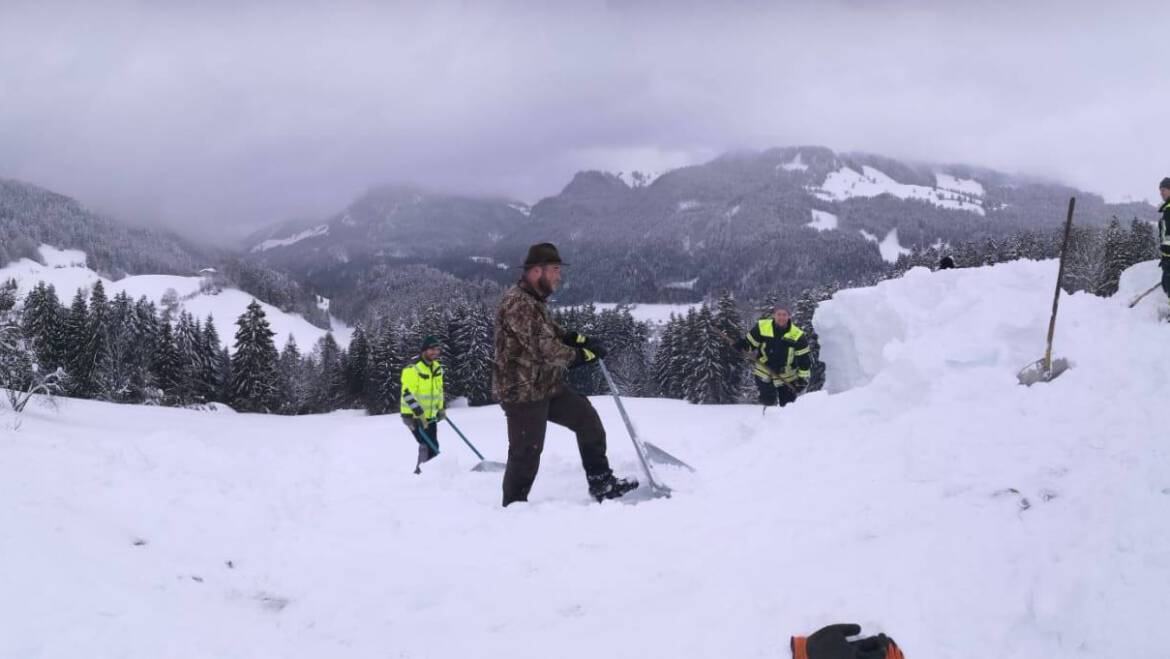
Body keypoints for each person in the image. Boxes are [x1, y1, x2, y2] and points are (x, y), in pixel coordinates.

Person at [492, 242, 639, 506]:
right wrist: (583, 355)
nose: (559, 275)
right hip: (523, 392)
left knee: (588, 421)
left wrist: (581, 339)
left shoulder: (533, 300)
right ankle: (513, 509)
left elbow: (554, 333)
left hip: (546, 385)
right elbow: (545, 349)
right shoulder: (517, 304)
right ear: (537, 271)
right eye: (555, 269)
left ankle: (601, 483)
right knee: (526, 453)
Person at [735, 306, 812, 407]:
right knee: (769, 403)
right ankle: (767, 419)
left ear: (789, 316)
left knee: (788, 408)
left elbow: (804, 359)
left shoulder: (797, 335)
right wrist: (742, 345)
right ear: (773, 315)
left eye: (784, 315)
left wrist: (802, 380)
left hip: (787, 378)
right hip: (765, 373)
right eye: (778, 314)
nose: (781, 317)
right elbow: (750, 344)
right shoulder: (762, 327)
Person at [401, 335, 445, 474]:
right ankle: (420, 475)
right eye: (432, 349)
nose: (435, 352)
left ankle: (432, 473)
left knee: (434, 445)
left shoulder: (437, 368)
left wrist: (441, 408)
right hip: (412, 415)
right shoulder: (412, 368)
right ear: (424, 350)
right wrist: (419, 414)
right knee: (426, 445)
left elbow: (438, 391)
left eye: (437, 349)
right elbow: (407, 394)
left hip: (430, 415)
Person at [1158, 177, 1170, 303]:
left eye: (1164, 190)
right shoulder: (1167, 209)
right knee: (1166, 283)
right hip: (1168, 256)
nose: (1161, 193)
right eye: (1160, 190)